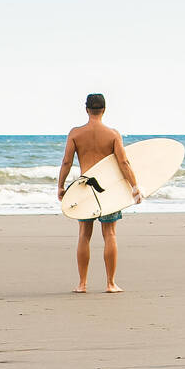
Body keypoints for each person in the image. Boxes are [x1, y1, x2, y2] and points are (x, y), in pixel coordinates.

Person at [57, 93, 141, 293]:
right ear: (104, 110)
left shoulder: (75, 134)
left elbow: (67, 162)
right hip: (107, 191)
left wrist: (61, 186)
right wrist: (134, 186)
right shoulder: (112, 134)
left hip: (84, 189)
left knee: (84, 235)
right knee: (110, 234)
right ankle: (111, 284)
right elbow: (123, 162)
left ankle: (82, 284)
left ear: (86, 109)